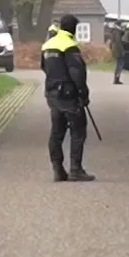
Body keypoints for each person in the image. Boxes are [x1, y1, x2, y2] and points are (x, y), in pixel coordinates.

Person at [41, 14, 94, 182]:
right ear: (74, 29)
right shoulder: (70, 46)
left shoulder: (47, 45)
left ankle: (58, 169)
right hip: (69, 95)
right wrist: (83, 94)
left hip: (52, 95)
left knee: (56, 132)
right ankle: (75, 169)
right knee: (78, 131)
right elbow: (77, 73)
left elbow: (43, 67)